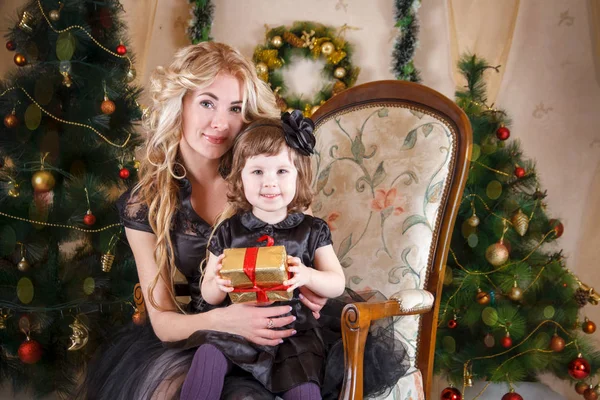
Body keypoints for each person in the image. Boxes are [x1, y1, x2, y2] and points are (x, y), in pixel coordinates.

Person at [79, 42, 327, 400]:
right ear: (179, 103)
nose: (220, 123)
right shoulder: (145, 202)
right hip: (199, 333)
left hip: (278, 334)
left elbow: (305, 241)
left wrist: (307, 283)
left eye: (235, 108)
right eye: (207, 102)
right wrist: (224, 321)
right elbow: (162, 320)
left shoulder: (260, 178)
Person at [174, 111, 345, 400]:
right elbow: (209, 295)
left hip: (292, 334)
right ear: (239, 178)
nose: (269, 182)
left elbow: (337, 283)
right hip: (237, 328)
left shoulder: (311, 229)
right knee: (208, 354)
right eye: (257, 172)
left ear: (298, 176)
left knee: (304, 384)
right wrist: (217, 283)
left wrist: (308, 275)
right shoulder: (229, 231)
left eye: (281, 171)